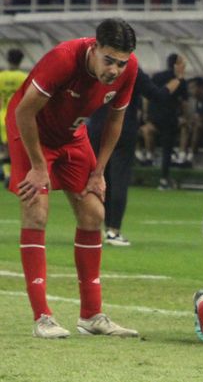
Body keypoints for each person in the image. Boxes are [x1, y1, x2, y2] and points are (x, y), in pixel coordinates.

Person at [5, 18, 140, 338]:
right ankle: (43, 318)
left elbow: (115, 121)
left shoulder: (129, 69)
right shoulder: (63, 59)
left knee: (95, 213)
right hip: (32, 132)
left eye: (120, 63)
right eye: (108, 60)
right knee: (37, 210)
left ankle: (91, 315)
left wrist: (99, 172)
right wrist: (38, 167)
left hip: (72, 136)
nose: (114, 70)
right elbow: (24, 112)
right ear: (94, 49)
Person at [87, 66, 186, 246]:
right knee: (119, 180)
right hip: (123, 128)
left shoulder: (96, 64)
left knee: (99, 178)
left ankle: (95, 227)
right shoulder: (131, 69)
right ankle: (113, 230)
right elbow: (158, 96)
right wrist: (178, 79)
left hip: (97, 127)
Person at [140, 53, 188, 188]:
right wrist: (185, 117)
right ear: (176, 65)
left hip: (154, 116)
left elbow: (146, 97)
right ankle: (163, 179)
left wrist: (145, 113)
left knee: (148, 133)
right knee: (167, 148)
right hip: (169, 117)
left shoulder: (156, 76)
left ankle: (149, 156)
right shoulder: (180, 80)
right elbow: (184, 103)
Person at [0, 48, 28, 182]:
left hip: (2, 115)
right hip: (18, 116)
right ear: (21, 60)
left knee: (6, 147)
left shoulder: (1, 76)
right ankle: (18, 176)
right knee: (19, 147)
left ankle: (7, 175)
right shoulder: (23, 77)